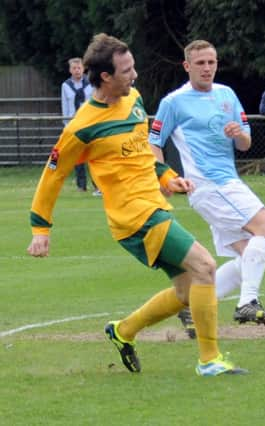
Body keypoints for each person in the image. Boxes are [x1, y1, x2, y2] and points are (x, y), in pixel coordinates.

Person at [28, 33, 246, 377]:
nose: (135, 75)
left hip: (154, 206)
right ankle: (209, 361)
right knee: (205, 266)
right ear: (105, 77)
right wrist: (40, 229)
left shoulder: (134, 100)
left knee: (189, 290)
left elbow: (142, 153)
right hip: (134, 218)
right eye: (127, 71)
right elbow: (52, 175)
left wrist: (167, 178)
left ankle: (123, 331)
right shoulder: (82, 126)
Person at [149, 40, 265, 337]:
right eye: (200, 63)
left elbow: (245, 142)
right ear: (187, 66)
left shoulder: (227, 94)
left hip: (226, 182)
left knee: (247, 255)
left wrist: (238, 134)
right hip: (209, 185)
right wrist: (165, 178)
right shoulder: (174, 102)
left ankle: (192, 307)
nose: (207, 68)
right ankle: (247, 302)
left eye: (211, 62)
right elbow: (153, 143)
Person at [61, 57, 100, 196]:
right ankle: (81, 186)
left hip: (90, 122)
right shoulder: (65, 85)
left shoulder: (91, 84)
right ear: (70, 70)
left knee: (93, 155)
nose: (77, 71)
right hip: (74, 123)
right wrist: (67, 126)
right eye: (74, 68)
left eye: (79, 68)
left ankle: (97, 186)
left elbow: (96, 101)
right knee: (77, 156)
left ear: (83, 69)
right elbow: (65, 106)